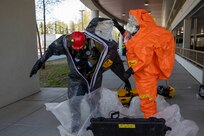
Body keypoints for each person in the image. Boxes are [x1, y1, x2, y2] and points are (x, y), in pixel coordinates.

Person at [30, 18, 131, 132]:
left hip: (93, 77)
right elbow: (51, 49)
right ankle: (75, 123)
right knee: (74, 101)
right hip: (76, 78)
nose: (78, 50)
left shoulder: (101, 46)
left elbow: (116, 63)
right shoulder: (65, 42)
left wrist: (124, 78)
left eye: (80, 48)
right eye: (75, 48)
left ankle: (96, 122)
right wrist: (40, 62)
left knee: (94, 101)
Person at [113, 9, 175, 118]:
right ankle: (150, 119)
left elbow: (144, 60)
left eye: (133, 19)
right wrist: (119, 28)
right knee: (146, 98)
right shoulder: (140, 34)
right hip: (141, 75)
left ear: (140, 21)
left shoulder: (146, 37)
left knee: (147, 101)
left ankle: (150, 123)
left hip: (146, 75)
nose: (131, 21)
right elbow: (130, 39)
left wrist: (130, 70)